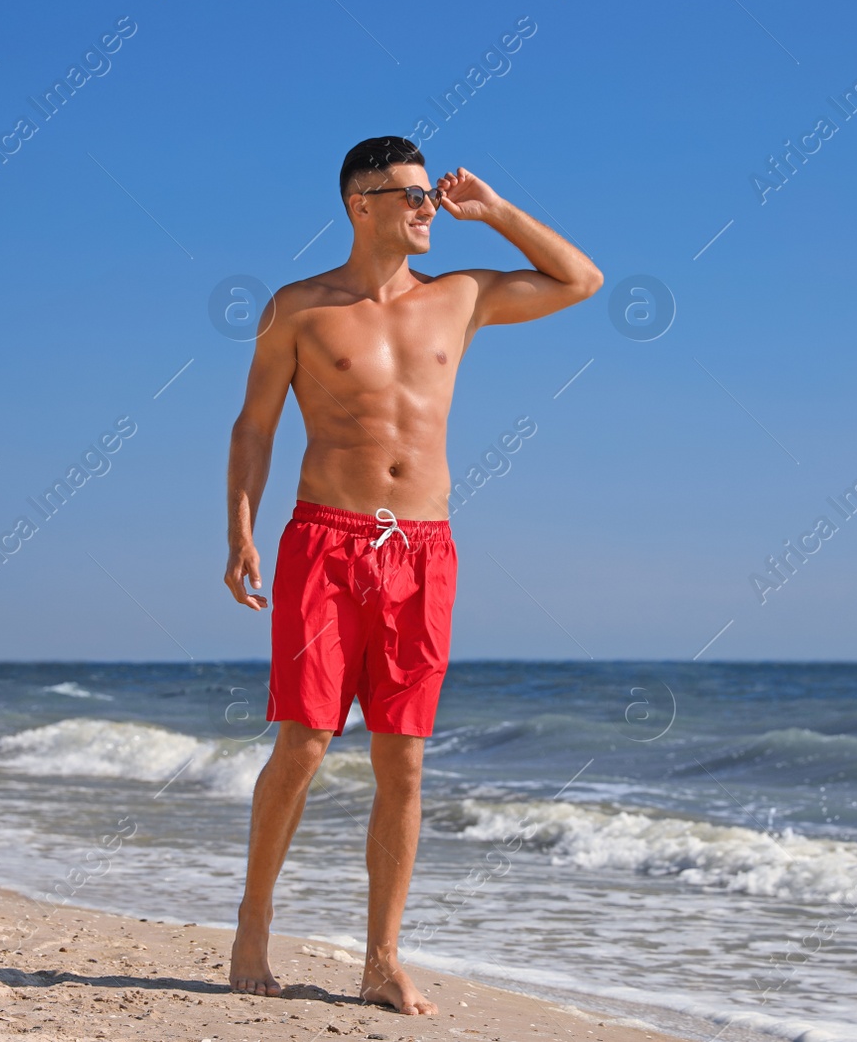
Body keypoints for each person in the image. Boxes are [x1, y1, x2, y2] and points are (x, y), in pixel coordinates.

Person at [222, 135, 602, 1015]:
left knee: (405, 760)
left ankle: (382, 958)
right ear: (362, 203)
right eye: (412, 195)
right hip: (323, 540)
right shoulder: (299, 308)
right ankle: (253, 918)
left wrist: (497, 211)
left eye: (432, 194)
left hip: (422, 550)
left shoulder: (461, 297)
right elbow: (253, 428)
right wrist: (240, 530)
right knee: (305, 743)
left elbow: (581, 280)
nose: (429, 208)